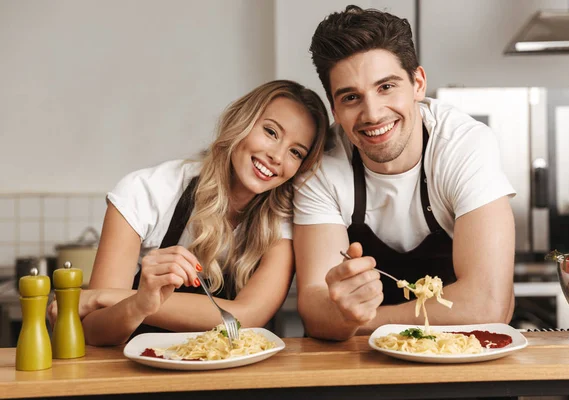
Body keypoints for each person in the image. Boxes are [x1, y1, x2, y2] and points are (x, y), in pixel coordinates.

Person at [48, 80, 330, 346]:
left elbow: (248, 315)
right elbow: (94, 332)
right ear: (240, 122)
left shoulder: (285, 218)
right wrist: (139, 303)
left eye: (296, 152)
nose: (278, 156)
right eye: (271, 132)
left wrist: (102, 297)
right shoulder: (148, 191)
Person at [293, 5, 516, 341]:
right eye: (352, 97)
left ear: (418, 84)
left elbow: (488, 306)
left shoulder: (464, 145)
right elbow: (314, 310)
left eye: (386, 87)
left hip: (465, 360)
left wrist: (354, 318)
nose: (373, 113)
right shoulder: (321, 166)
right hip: (365, 369)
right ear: (334, 108)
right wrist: (333, 314)